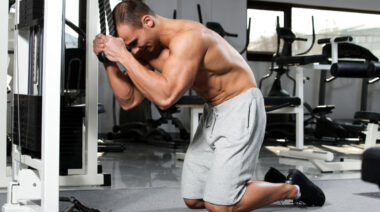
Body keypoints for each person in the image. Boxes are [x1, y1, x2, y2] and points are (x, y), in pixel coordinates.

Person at [93, 0, 325, 211]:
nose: (134, 51)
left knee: (220, 207)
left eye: (133, 43)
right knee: (194, 199)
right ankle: (263, 186)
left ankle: (293, 188)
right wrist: (109, 61)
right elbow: (129, 100)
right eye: (129, 47)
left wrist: (123, 56)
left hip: (241, 106)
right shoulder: (145, 48)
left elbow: (166, 97)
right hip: (213, 112)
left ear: (148, 21)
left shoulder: (188, 38)